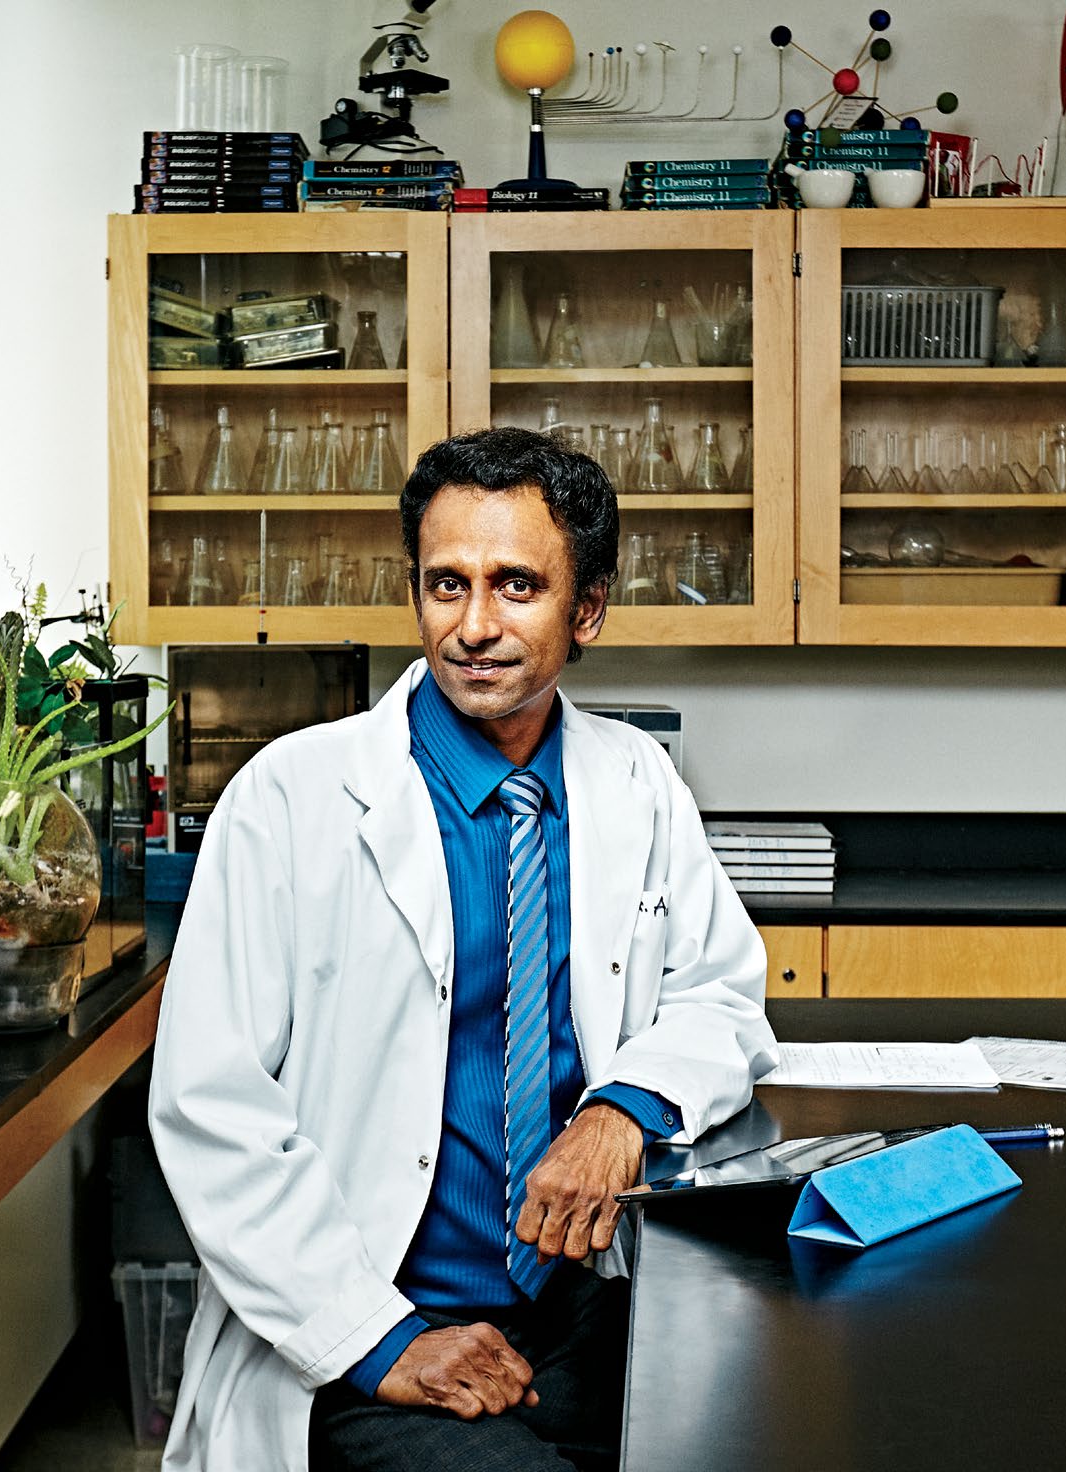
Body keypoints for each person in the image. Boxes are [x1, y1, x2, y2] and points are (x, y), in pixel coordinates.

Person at [149, 426, 778, 1471]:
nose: (474, 625)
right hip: (377, 1333)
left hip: (591, 1305)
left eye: (516, 585)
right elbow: (210, 1104)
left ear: (586, 608)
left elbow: (719, 996)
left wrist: (619, 1110)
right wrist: (381, 1338)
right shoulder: (289, 798)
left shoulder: (635, 786)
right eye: (447, 583)